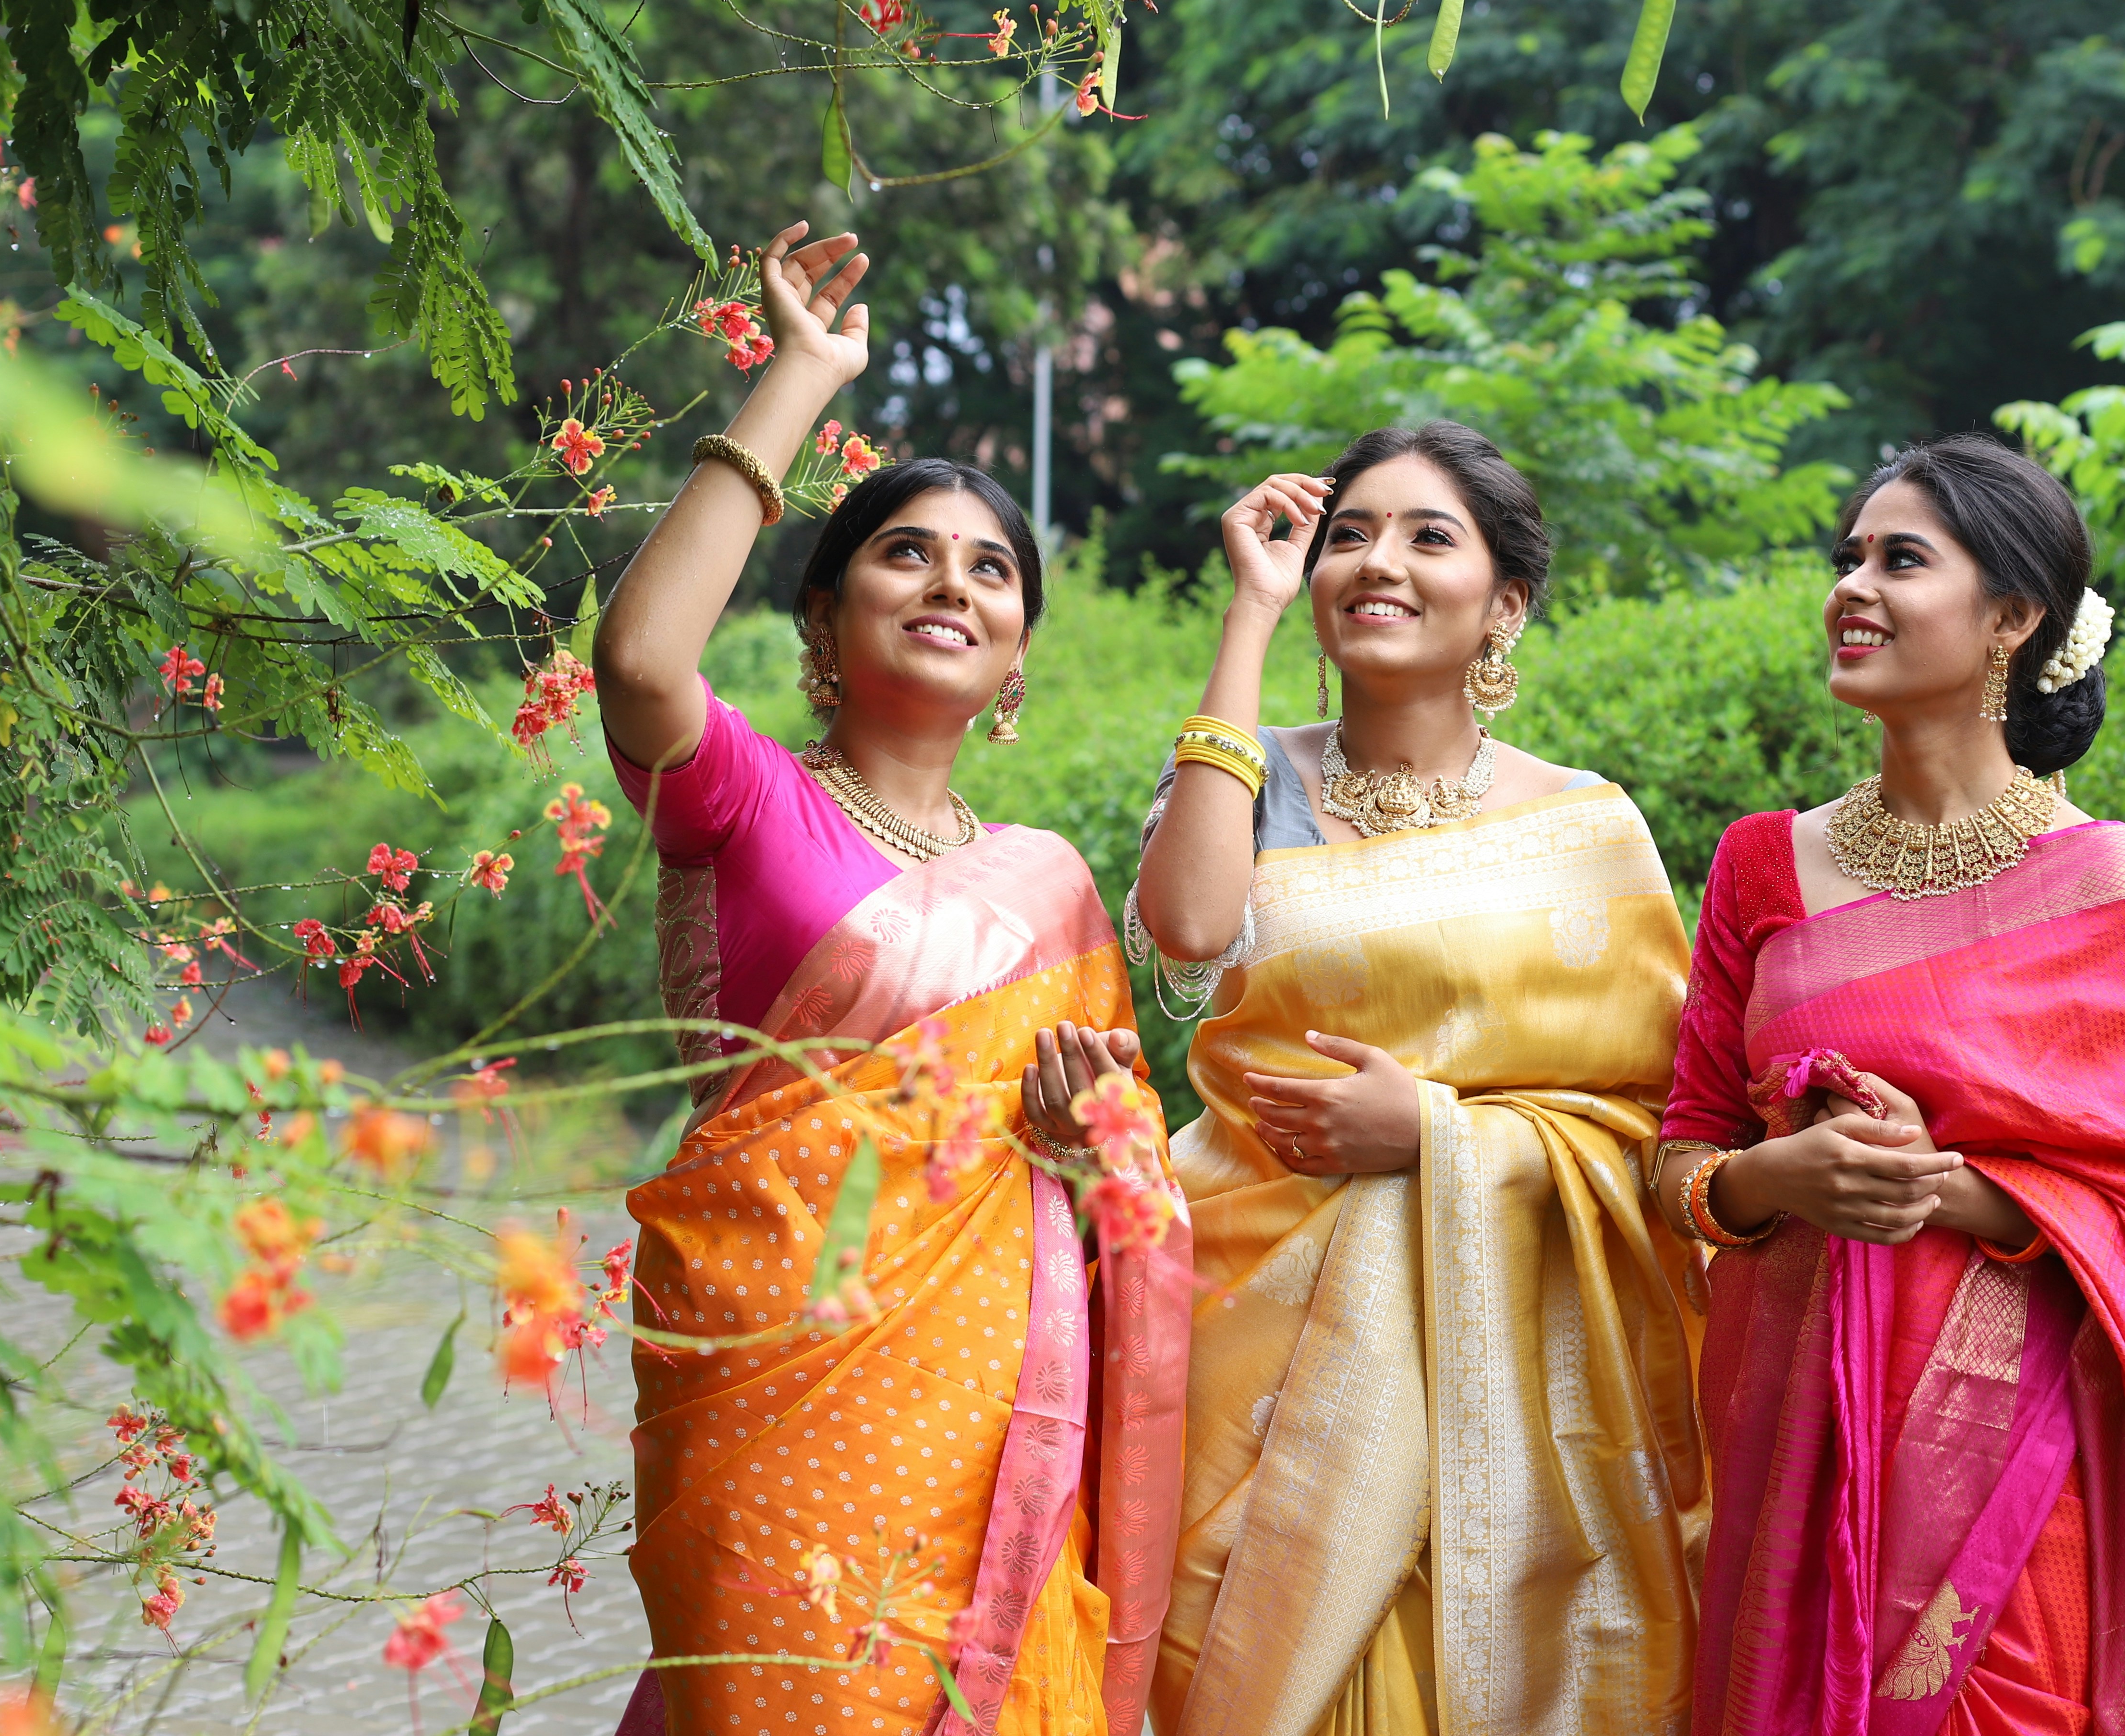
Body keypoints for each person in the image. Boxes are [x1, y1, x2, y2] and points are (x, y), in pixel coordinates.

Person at [592, 222, 1191, 1736]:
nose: (952, 585)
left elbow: (1130, 1177)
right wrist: (797, 380)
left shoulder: (1048, 887)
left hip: (989, 1397)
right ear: (824, 619)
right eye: (904, 553)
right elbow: (645, 660)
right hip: (769, 1368)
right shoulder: (741, 796)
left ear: (1018, 659)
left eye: (991, 571)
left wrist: (1087, 1136)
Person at [1656, 434, 2125, 1736]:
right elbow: (1682, 1159)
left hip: (2015, 1464)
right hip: (1793, 1454)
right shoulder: (1761, 866)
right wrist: (1774, 1178)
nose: (1852, 589)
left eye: (1900, 560)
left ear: (2011, 616)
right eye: (1847, 559)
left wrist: (1969, 1196)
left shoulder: (2114, 891)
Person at [1129, 422, 1706, 1736]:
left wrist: (1440, 1139)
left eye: (1426, 537)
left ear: (1504, 604)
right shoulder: (1246, 769)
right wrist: (1249, 614)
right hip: (1257, 1355)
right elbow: (1190, 928)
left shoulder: (1588, 830)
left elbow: (1659, 1133)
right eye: (1350, 535)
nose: (1376, 563)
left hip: (1511, 1378)